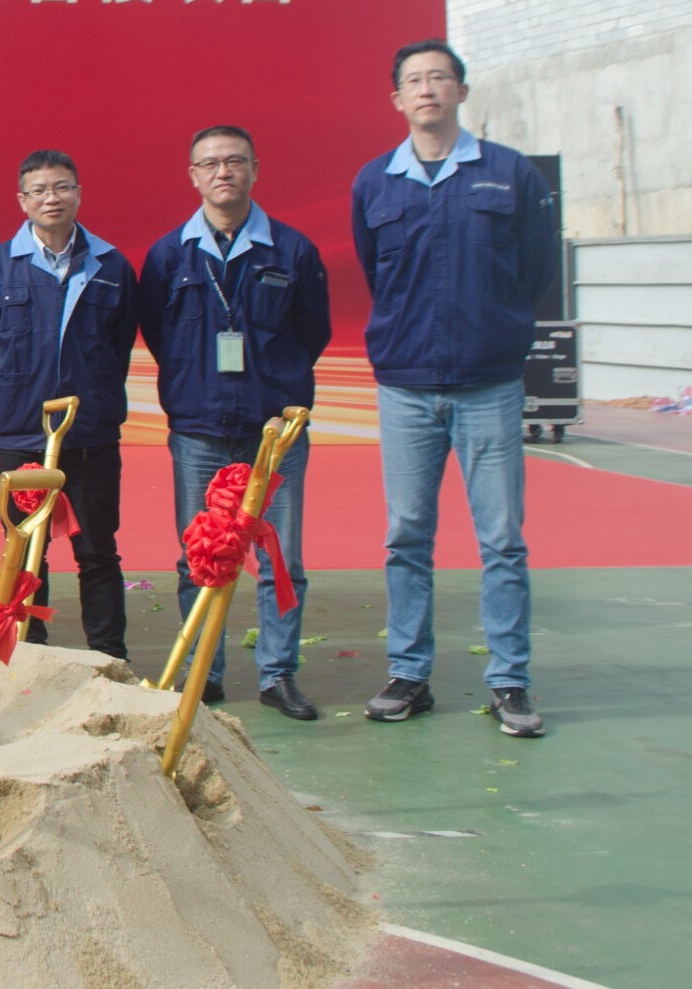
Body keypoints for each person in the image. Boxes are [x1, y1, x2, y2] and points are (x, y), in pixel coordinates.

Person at [353, 40, 556, 738]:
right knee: (406, 534)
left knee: (502, 538)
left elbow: (536, 269)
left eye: (440, 77)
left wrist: (496, 333)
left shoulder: (508, 174)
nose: (428, 89)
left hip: (489, 384)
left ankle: (510, 681)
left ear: (462, 92)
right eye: (414, 80)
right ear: (397, 100)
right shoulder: (375, 182)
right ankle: (409, 672)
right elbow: (378, 273)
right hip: (407, 385)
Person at [139, 126, 332, 717]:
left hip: (272, 434)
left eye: (234, 162)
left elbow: (313, 332)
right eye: (210, 164)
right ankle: (205, 672)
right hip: (198, 428)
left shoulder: (291, 251)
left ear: (254, 169)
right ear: (192, 175)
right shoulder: (169, 255)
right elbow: (156, 331)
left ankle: (278, 675)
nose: (223, 172)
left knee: (280, 559)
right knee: (198, 555)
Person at [0, 149, 136, 662]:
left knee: (97, 551)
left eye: (61, 187)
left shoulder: (111, 266)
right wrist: (21, 389)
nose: (51, 198)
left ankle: (109, 658)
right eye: (39, 190)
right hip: (20, 435)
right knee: (25, 552)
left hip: (90, 436)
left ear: (79, 193)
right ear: (22, 200)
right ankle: (29, 652)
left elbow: (119, 343)